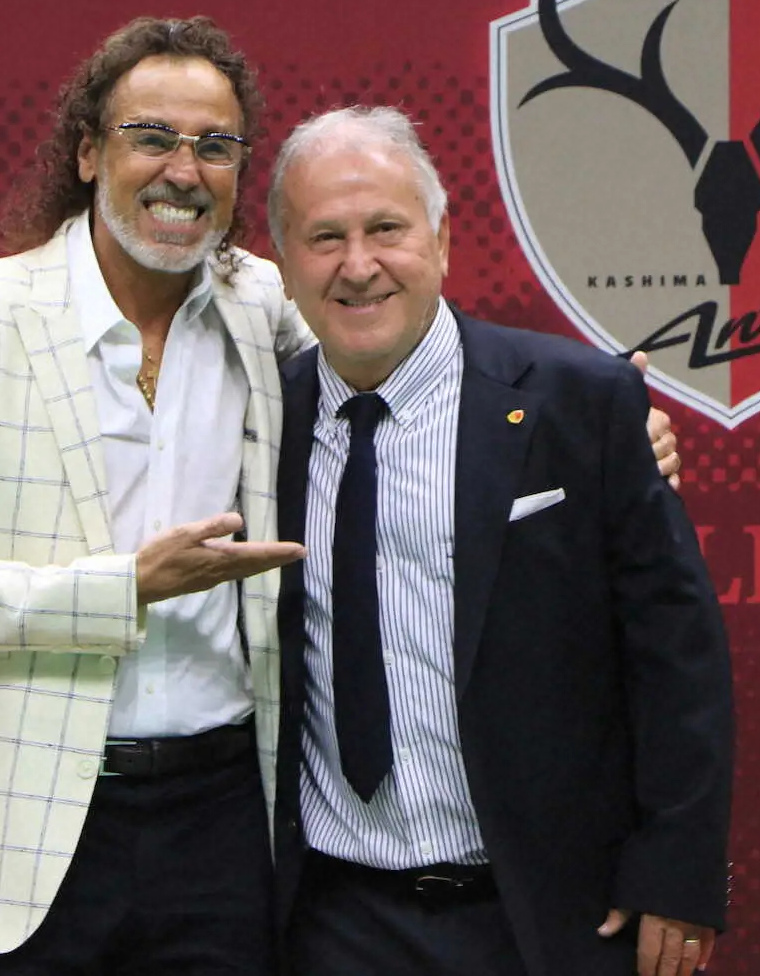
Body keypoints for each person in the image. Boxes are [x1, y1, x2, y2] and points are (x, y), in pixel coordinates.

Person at [0, 21, 680, 974]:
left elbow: (409, 344)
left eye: (215, 145)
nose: (183, 169)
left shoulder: (264, 301)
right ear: (87, 151)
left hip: (224, 824)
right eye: (151, 136)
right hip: (20, 826)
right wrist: (125, 587)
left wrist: (593, 429)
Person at [269, 107, 733, 976]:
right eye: (325, 237)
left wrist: (680, 866)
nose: (358, 264)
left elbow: (677, 651)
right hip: (333, 921)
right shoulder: (261, 422)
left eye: (386, 229)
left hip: (552, 915)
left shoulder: (580, 402)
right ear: (285, 264)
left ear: (443, 240)